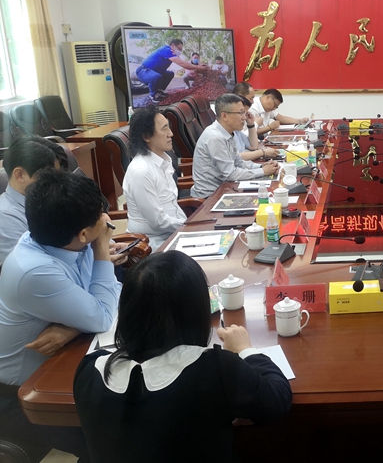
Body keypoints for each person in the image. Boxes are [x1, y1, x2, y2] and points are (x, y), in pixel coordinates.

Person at [74, 251, 292, 462]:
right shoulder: (215, 368)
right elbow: (277, 401)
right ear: (196, 310)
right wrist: (245, 349)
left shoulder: (89, 369)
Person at [0, 168, 122, 460]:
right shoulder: (35, 270)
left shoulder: (59, 238)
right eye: (99, 217)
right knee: (113, 439)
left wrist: (72, 327)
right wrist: (101, 248)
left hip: (63, 358)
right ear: (84, 234)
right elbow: (104, 315)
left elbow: (108, 295)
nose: (105, 220)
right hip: (20, 394)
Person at [191, 93, 279, 198]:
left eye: (244, 112)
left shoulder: (229, 132)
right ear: (224, 116)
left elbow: (238, 162)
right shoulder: (215, 137)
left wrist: (261, 166)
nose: (244, 117)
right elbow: (231, 174)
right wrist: (263, 171)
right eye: (240, 113)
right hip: (210, 196)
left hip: (226, 188)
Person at [123, 107, 188, 250]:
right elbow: (158, 221)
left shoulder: (164, 160)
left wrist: (189, 224)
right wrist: (190, 224)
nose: (170, 134)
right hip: (152, 243)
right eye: (164, 129)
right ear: (146, 136)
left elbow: (172, 205)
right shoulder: (141, 171)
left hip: (172, 233)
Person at [0, 136, 67, 266]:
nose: (56, 183)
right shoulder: (4, 217)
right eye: (49, 176)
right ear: (20, 175)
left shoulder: (47, 200)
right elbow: (29, 269)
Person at [136, 39, 207, 101]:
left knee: (170, 74)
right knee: (156, 77)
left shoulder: (173, 53)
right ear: (173, 45)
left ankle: (159, 91)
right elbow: (182, 63)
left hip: (156, 72)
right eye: (179, 48)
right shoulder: (166, 50)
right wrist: (198, 67)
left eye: (181, 49)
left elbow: (183, 63)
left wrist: (199, 66)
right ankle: (153, 95)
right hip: (143, 71)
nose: (180, 51)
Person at [236, 95, 280, 162]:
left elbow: (253, 146)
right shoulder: (221, 135)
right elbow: (236, 157)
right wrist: (263, 152)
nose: (244, 117)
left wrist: (251, 125)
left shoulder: (236, 131)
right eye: (241, 113)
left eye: (245, 113)